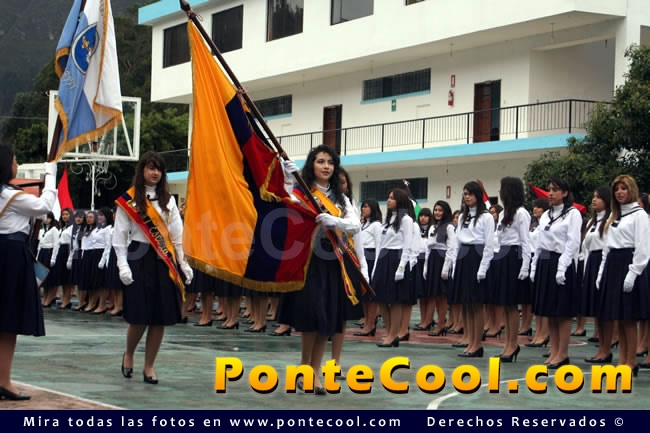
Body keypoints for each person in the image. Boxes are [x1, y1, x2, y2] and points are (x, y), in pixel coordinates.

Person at [278, 145, 362, 394]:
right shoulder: (302, 191)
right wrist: (287, 179)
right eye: (320, 161)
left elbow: (355, 225)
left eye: (330, 162)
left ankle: (313, 372)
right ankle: (305, 367)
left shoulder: (341, 198)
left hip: (333, 262)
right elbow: (284, 203)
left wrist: (335, 220)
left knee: (326, 318)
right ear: (311, 165)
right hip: (308, 261)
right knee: (312, 315)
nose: (326, 166)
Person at [113, 151, 193, 384]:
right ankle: (129, 354)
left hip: (163, 260)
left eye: (159, 169)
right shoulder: (129, 200)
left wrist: (183, 263)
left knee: (159, 317)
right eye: (151, 168)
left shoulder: (169, 200)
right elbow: (120, 236)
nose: (155, 172)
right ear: (143, 171)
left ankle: (149, 366)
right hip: (138, 257)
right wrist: (122, 264)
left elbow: (177, 235)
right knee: (139, 316)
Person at [0, 145, 57, 400]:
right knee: (8, 324)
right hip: (11, 257)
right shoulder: (12, 196)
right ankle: (4, 382)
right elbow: (45, 206)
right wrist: (51, 175)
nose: (16, 164)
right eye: (14, 161)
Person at [596, 175, 649, 375]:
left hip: (629, 263)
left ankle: (631, 361)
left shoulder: (639, 215)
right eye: (617, 189)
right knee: (618, 316)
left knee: (629, 318)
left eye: (623, 188)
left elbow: (643, 247)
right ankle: (622, 359)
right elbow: (607, 247)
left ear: (631, 190)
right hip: (613, 264)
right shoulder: (615, 215)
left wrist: (633, 273)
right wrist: (601, 272)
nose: (619, 192)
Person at [530, 177, 581, 369]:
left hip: (562, 262)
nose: (550, 193)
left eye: (555, 190)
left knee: (562, 312)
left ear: (565, 193)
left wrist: (563, 266)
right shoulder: (546, 215)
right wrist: (534, 266)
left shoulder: (572, 214)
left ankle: (563, 353)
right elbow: (540, 243)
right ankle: (554, 350)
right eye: (549, 189)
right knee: (550, 311)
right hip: (546, 261)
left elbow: (573, 242)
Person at [449, 182, 495, 357]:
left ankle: (477, 344)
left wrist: (483, 268)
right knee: (466, 304)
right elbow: (457, 241)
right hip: (464, 257)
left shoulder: (486, 217)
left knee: (476, 304)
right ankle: (469, 341)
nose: (467, 197)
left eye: (470, 194)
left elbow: (489, 244)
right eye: (465, 194)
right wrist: (455, 265)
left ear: (477, 195)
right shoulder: (463, 216)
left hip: (477, 256)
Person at [489, 177, 531, 362]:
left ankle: (513, 344)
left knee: (512, 305)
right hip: (503, 255)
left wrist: (525, 265)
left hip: (515, 255)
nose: (499, 191)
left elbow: (525, 241)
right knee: (505, 304)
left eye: (502, 188)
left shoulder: (521, 213)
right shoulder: (505, 213)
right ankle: (507, 344)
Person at [372, 188, 415, 348]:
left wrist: (402, 266)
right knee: (381, 299)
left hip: (396, 258)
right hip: (384, 258)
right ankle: (391, 333)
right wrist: (376, 267)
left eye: (392, 198)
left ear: (400, 201)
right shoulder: (388, 219)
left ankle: (392, 335)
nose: (388, 200)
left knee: (395, 300)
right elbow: (381, 244)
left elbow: (407, 244)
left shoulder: (406, 220)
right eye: (388, 197)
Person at [581, 186, 611, 363]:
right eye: (593, 197)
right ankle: (601, 348)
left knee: (604, 309)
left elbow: (607, 245)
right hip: (592, 261)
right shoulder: (592, 221)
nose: (594, 200)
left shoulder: (609, 220)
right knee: (596, 309)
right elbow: (586, 247)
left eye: (598, 197)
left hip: (603, 260)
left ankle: (606, 349)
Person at [423, 200, 456, 337]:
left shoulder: (449, 227)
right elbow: (428, 248)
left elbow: (451, 248)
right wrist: (426, 266)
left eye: (440, 210)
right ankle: (439, 323)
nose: (437, 212)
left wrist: (446, 268)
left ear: (445, 212)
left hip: (442, 259)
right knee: (435, 295)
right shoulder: (432, 227)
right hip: (433, 259)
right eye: (435, 210)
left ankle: (441, 324)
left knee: (442, 296)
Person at [354, 199, 382, 337]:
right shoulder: (363, 224)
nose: (363, 209)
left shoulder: (376, 225)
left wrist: (376, 266)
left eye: (366, 207)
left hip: (371, 258)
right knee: (364, 295)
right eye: (363, 206)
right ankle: (366, 322)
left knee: (371, 295)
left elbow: (379, 246)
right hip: (362, 258)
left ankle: (371, 324)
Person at [37, 211, 60, 306]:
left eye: (48, 218)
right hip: (42, 252)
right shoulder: (43, 229)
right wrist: (38, 256)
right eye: (45, 218)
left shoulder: (54, 229)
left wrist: (53, 258)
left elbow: (56, 244)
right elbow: (40, 244)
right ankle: (45, 297)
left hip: (49, 252)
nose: (46, 220)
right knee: (44, 279)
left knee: (50, 278)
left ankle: (50, 298)